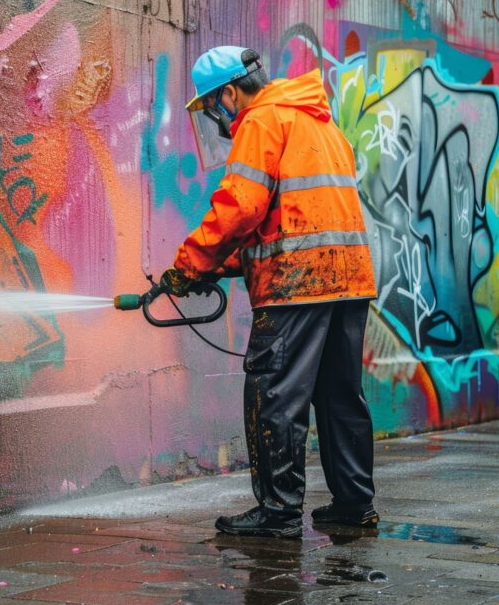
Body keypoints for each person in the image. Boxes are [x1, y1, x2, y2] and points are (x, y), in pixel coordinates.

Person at [160, 46, 379, 538]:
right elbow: (289, 221)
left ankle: (278, 511)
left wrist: (190, 264)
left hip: (296, 288)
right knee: (341, 396)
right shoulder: (321, 124)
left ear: (231, 92)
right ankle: (353, 504)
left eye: (214, 106)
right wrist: (223, 267)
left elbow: (241, 207)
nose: (218, 119)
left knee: (274, 396)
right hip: (347, 281)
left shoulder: (260, 122)